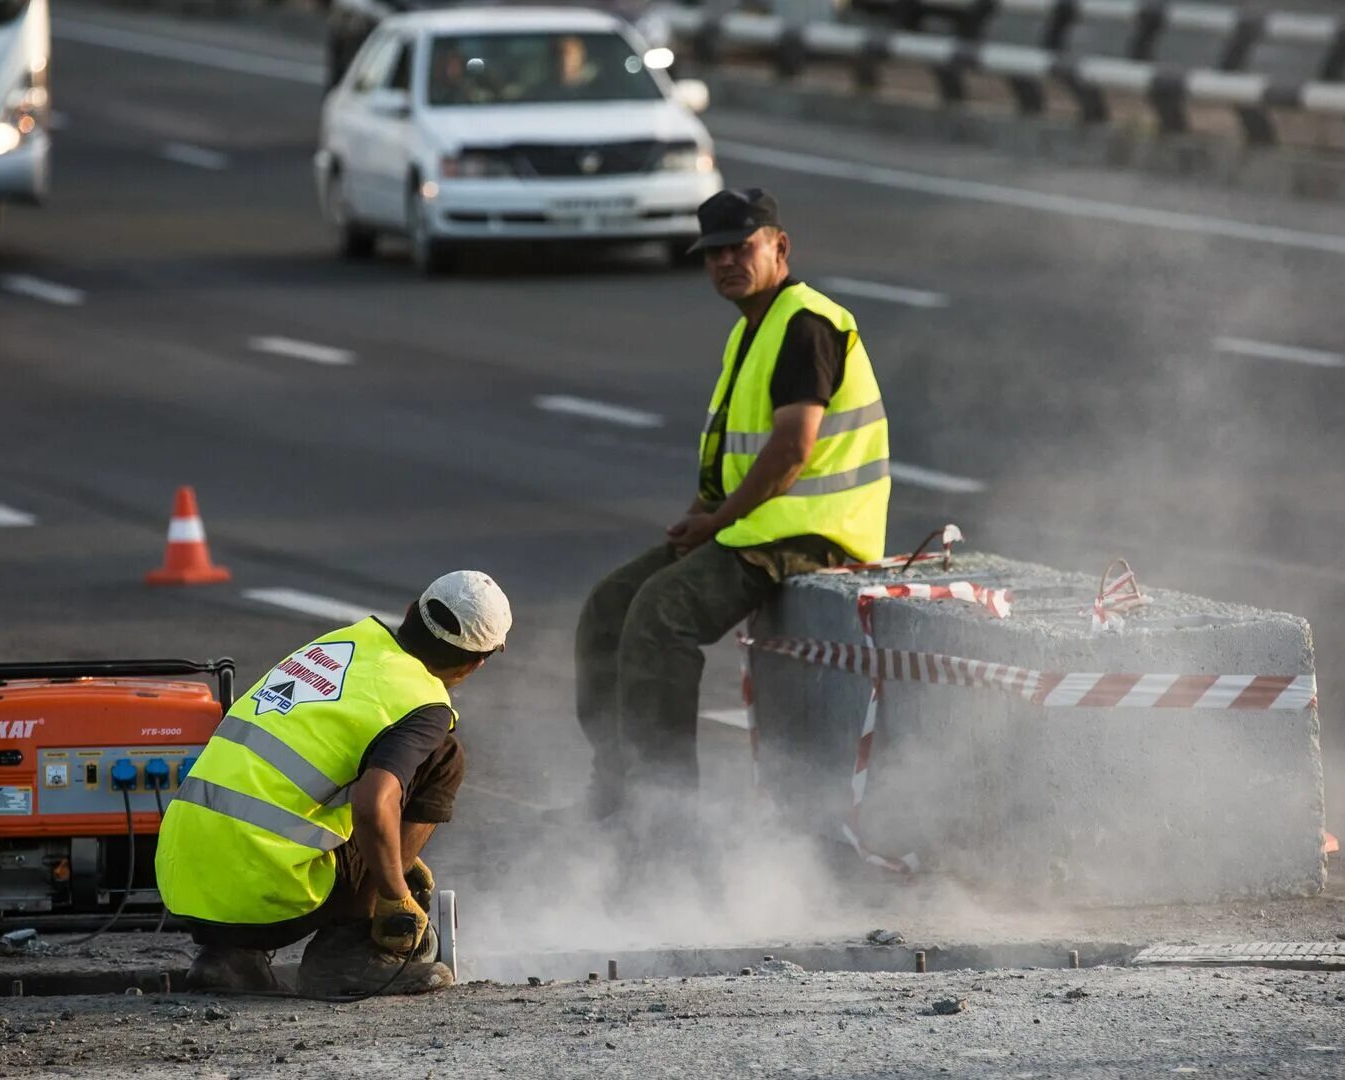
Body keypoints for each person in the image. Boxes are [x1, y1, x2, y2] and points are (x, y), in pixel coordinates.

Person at [569, 188, 891, 822]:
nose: (725, 262)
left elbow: (793, 449)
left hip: (813, 530)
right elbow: (733, 459)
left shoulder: (805, 323)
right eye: (713, 252)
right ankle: (617, 789)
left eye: (740, 247)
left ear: (779, 247)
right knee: (610, 607)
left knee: (662, 613)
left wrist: (716, 522)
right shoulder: (752, 330)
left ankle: (664, 811)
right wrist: (699, 518)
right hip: (756, 524)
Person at [155, 571, 512, 999]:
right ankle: (348, 954)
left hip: (180, 878)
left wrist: (386, 852)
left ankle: (228, 959)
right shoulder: (421, 703)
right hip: (264, 895)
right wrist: (393, 889)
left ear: (407, 612)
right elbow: (372, 803)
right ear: (477, 662)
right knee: (445, 757)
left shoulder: (342, 644)